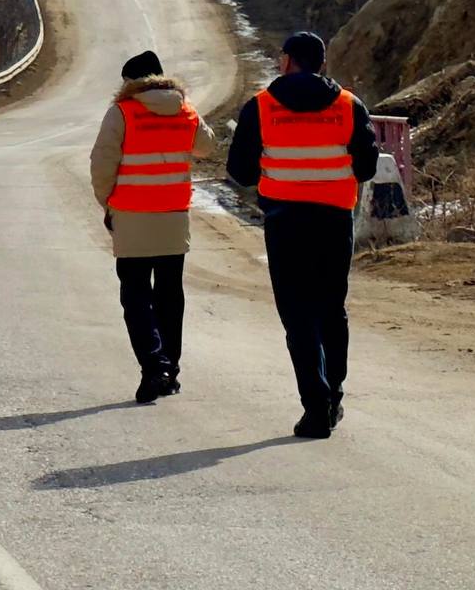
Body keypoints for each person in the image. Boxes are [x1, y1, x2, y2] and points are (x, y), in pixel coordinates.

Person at [226, 29, 377, 440]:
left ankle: (315, 408)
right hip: (333, 221)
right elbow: (365, 168)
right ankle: (334, 394)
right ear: (322, 63)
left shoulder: (261, 107)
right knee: (332, 309)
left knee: (298, 316)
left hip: (285, 222)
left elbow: (239, 171)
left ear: (288, 60)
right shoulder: (349, 105)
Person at [88, 48, 199, 404]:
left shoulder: (122, 112)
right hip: (173, 217)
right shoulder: (184, 109)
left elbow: (102, 163)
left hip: (133, 218)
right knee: (170, 295)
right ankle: (172, 369)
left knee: (135, 297)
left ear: (130, 83)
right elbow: (207, 145)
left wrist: (108, 203)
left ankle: (153, 365)